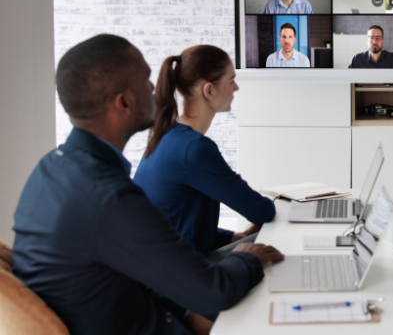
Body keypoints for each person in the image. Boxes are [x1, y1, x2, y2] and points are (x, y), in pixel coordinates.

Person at [12, 34, 284, 335]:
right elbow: (214, 290)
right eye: (145, 81)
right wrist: (248, 257)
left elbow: (130, 261)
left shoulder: (51, 169)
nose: (155, 88)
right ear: (124, 102)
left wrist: (184, 310)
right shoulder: (107, 197)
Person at [133, 46, 276, 255]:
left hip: (158, 267)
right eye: (230, 81)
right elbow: (262, 211)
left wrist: (232, 237)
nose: (236, 88)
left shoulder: (166, 135)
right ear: (209, 91)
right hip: (176, 275)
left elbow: (174, 223)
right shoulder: (194, 150)